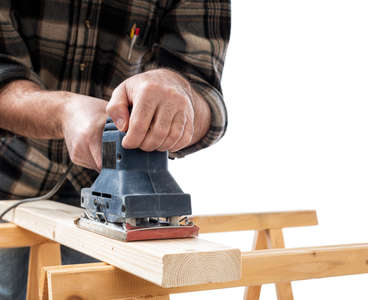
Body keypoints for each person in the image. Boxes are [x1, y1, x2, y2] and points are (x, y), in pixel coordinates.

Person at [0, 1, 230, 299]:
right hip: (10, 178)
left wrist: (180, 93)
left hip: (108, 205)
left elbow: (203, 88)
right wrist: (62, 112)